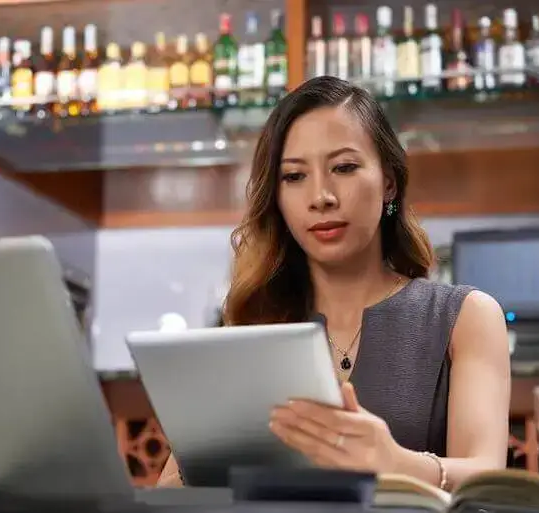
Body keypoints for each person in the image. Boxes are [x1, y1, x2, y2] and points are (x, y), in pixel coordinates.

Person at [158, 76, 510, 490]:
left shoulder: (465, 317)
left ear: (389, 182)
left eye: (343, 167)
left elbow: (489, 482)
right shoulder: (253, 329)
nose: (320, 196)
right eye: (294, 176)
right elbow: (172, 490)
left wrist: (396, 462)